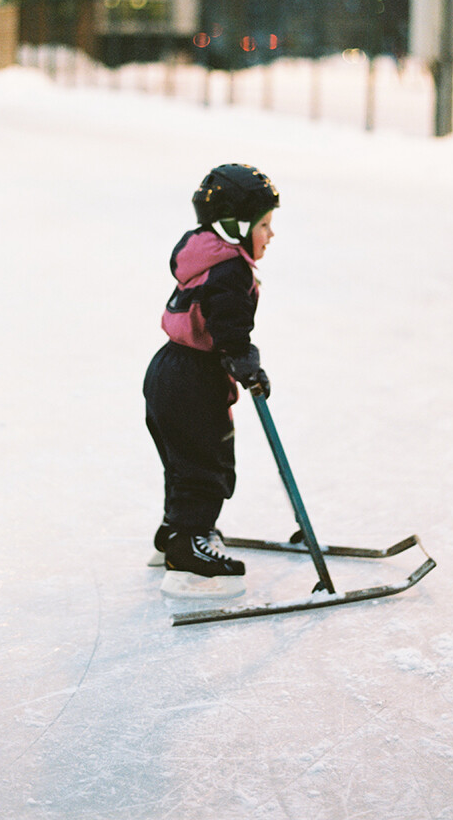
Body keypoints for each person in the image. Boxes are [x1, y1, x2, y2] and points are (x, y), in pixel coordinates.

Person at [143, 163, 279, 596]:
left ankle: (176, 532)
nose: (270, 235)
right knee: (207, 465)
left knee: (183, 462)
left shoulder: (204, 252)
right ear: (235, 226)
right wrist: (246, 363)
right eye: (264, 225)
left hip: (168, 370)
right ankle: (189, 556)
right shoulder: (230, 271)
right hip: (195, 381)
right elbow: (229, 326)